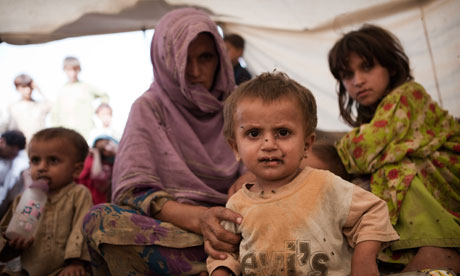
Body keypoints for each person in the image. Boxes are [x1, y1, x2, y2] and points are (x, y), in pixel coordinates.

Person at [82, 8, 250, 275]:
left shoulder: (241, 104)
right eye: (183, 59)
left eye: (205, 57)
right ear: (164, 60)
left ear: (220, 57)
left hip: (238, 225)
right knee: (101, 221)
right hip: (178, 230)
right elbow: (134, 191)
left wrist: (252, 178)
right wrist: (200, 219)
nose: (194, 71)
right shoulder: (150, 107)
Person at [206, 71, 399, 275]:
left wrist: (363, 260)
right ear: (235, 148)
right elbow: (225, 254)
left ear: (307, 144)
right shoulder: (237, 205)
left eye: (283, 133)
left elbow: (373, 213)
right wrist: (221, 269)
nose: (269, 144)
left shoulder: (325, 185)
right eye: (254, 134)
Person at [328, 24, 460, 273]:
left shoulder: (409, 94)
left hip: (451, 176)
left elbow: (363, 149)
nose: (358, 81)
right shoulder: (374, 114)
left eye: (367, 67)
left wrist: (348, 146)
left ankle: (439, 249)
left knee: (394, 168)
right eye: (347, 75)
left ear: (390, 65)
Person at [0, 127, 93, 275]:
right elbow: (5, 233)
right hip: (28, 271)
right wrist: (13, 244)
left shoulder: (78, 194)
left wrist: (75, 262)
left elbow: (81, 229)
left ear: (76, 170)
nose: (42, 168)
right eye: (35, 160)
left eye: (53, 160)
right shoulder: (22, 199)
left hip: (63, 270)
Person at [50, 56, 109, 141]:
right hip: (67, 136)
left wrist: (101, 111)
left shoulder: (86, 87)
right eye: (69, 70)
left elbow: (105, 96)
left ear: (79, 70)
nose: (73, 73)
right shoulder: (62, 91)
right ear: (64, 70)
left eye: (75, 69)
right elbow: (55, 117)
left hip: (87, 134)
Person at [8, 74, 51, 143]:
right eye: (24, 87)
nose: (28, 90)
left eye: (30, 87)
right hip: (20, 147)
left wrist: (40, 90)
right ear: (17, 88)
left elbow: (54, 105)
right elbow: (8, 128)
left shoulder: (40, 106)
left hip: (38, 144)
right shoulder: (12, 107)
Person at [78, 135, 118, 205]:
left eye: (107, 143)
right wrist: (96, 154)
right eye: (103, 151)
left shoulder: (130, 147)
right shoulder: (107, 166)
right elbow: (97, 176)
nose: (108, 149)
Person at [0, 130, 28, 218]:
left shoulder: (18, 158)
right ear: (2, 141)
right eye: (11, 150)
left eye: (16, 151)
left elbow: (25, 169)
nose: (13, 154)